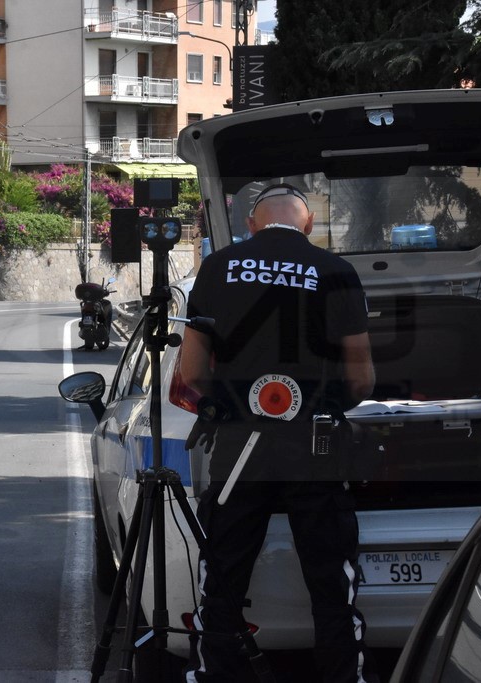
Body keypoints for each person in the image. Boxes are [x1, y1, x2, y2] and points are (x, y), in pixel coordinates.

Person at [179, 183, 378, 682]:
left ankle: (215, 675)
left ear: (251, 224)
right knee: (332, 583)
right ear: (309, 224)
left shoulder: (218, 267)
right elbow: (361, 380)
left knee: (223, 576)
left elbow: (192, 371)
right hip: (315, 447)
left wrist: (233, 402)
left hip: (238, 450)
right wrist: (321, 405)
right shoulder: (337, 272)